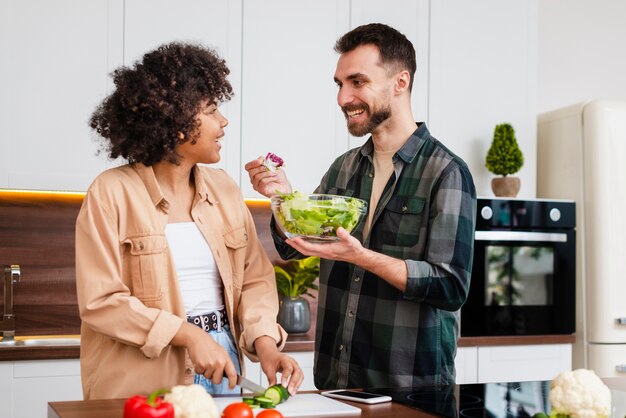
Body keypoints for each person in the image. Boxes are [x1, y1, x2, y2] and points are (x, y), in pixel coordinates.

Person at [245, 23, 476, 389]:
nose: (342, 98)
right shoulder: (344, 167)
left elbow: (450, 286)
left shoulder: (446, 171)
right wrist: (282, 198)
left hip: (409, 387)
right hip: (336, 380)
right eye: (339, 84)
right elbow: (292, 245)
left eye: (357, 82)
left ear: (400, 83)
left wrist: (361, 256)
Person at [76, 41, 303, 400]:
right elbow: (101, 301)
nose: (224, 121)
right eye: (212, 110)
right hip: (145, 376)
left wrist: (266, 345)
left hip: (222, 362)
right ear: (176, 122)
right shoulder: (111, 193)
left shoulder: (225, 188)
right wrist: (188, 335)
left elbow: (254, 281)